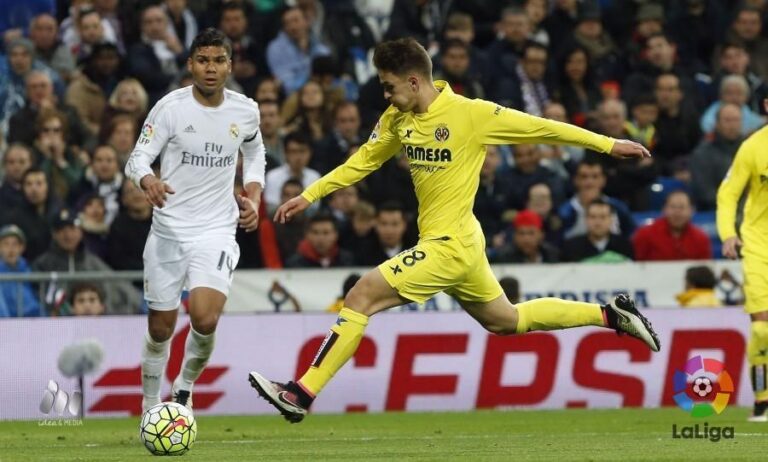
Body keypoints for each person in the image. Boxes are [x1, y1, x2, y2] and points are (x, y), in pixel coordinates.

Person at [249, 38, 660, 423]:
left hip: (451, 245)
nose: (386, 97)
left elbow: (544, 128)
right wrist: (311, 194)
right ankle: (610, 314)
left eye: (390, 87)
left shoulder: (472, 114)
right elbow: (364, 161)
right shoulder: (397, 117)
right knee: (507, 321)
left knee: (360, 296)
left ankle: (300, 394)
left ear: (414, 80)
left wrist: (609, 145)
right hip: (463, 243)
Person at [124, 28, 265, 412]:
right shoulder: (170, 108)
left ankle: (183, 386)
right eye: (203, 60)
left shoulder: (245, 110)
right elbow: (136, 158)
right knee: (160, 328)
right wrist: (148, 179)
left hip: (217, 229)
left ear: (230, 65)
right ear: (190, 64)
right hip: (168, 230)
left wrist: (253, 195)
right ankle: (151, 404)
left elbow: (254, 153)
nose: (211, 68)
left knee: (204, 318)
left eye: (219, 60)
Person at [717, 98, 768, 422]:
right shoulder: (752, 148)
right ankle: (763, 401)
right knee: (763, 330)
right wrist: (727, 233)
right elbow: (728, 194)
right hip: (759, 246)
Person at [633, 190, 712, 262]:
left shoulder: (701, 238)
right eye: (672, 207)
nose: (677, 212)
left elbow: (704, 269)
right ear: (664, 209)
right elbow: (635, 265)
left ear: (691, 211)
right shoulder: (645, 234)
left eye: (682, 207)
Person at [0, 224, 41, 317]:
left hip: (31, 325)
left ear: (22, 247)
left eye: (15, 244)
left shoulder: (31, 272)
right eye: (6, 244)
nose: (11, 249)